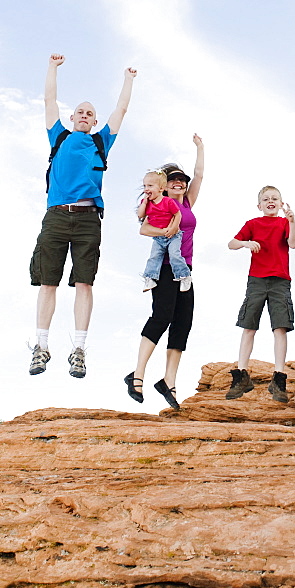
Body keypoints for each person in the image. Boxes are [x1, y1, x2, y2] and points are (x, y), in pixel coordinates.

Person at [28, 54, 136, 379]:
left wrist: (129, 79)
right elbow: (48, 98)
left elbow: (121, 111)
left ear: (94, 120)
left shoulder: (101, 142)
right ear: (73, 117)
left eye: (90, 114)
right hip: (57, 217)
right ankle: (41, 346)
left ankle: (78, 351)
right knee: (48, 282)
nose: (85, 116)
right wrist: (52, 67)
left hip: (89, 219)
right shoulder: (58, 136)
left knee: (84, 283)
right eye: (81, 112)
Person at [124, 136, 204, 410]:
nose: (178, 183)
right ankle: (137, 374)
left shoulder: (188, 203)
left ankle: (168, 381)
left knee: (183, 322)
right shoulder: (159, 204)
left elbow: (200, 174)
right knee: (162, 317)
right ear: (163, 186)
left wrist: (200, 148)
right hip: (164, 269)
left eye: (181, 179)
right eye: (172, 180)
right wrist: (166, 231)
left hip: (185, 270)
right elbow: (143, 228)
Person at [226, 185, 295, 403]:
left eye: (275, 198)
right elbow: (231, 244)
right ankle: (242, 375)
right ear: (259, 205)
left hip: (280, 281)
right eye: (266, 199)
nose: (270, 201)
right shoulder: (253, 224)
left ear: (281, 203)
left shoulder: (284, 222)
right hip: (257, 280)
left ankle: (278, 378)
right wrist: (246, 243)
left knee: (280, 327)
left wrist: (293, 221)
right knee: (249, 326)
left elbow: (293, 244)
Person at [137, 170, 192, 292]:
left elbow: (177, 214)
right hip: (159, 238)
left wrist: (173, 228)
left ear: (161, 188)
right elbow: (140, 215)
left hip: (174, 236)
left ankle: (184, 276)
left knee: (174, 254)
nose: (146, 189)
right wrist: (145, 202)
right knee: (154, 256)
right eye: (145, 186)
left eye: (150, 186)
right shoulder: (147, 203)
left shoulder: (168, 202)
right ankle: (150, 278)